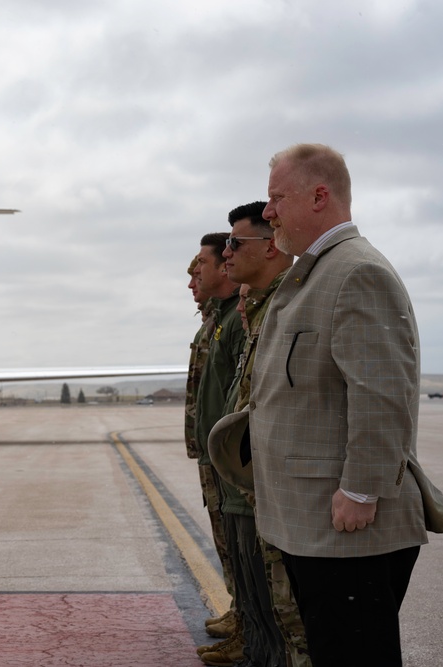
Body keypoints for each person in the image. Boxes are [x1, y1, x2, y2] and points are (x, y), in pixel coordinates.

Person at [249, 144, 426, 667]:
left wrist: (361, 489)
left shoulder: (355, 273)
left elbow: (383, 394)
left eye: (277, 198)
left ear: (319, 196)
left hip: (348, 529)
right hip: (315, 525)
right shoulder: (317, 271)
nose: (268, 212)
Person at [217, 202, 307, 667]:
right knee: (267, 617)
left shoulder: (287, 304)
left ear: (270, 246)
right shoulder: (259, 307)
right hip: (251, 489)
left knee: (290, 623)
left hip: (276, 494)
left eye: (234, 243)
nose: (227, 253)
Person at [192, 233, 246, 665]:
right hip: (215, 453)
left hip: (230, 456)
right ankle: (240, 615)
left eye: (199, 267)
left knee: (239, 544)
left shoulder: (236, 319)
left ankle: (246, 626)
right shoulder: (218, 320)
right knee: (227, 543)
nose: (193, 278)